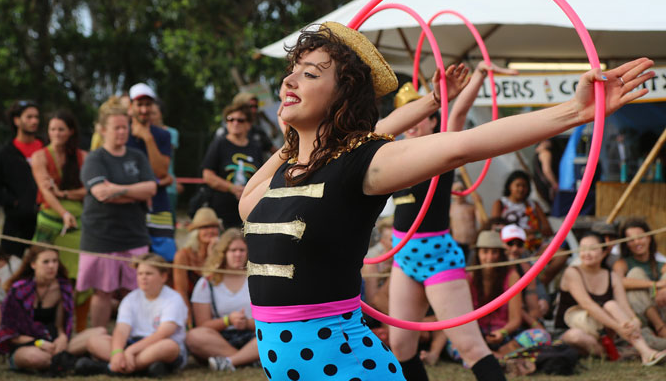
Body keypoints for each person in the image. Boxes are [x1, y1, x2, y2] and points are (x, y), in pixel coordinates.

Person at [238, 21, 653, 381]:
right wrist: (303, 138)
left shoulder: (361, 164)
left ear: (342, 96)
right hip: (291, 370)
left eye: (309, 74)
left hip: (348, 368)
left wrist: (574, 113)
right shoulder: (280, 174)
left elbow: (462, 145)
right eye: (291, 71)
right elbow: (249, 204)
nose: (289, 82)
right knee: (404, 342)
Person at [386, 60, 517, 381]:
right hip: (402, 256)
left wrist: (480, 76)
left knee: (470, 347)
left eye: (420, 116)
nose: (412, 124)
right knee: (401, 346)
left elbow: (457, 116)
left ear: (432, 120)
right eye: (408, 118)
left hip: (437, 257)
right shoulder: (390, 154)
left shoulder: (439, 150)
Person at [77, 103, 157, 328]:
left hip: (134, 235)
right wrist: (134, 192)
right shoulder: (94, 159)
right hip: (101, 237)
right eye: (116, 128)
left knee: (137, 291)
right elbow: (100, 193)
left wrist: (116, 190)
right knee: (103, 292)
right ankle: (98, 338)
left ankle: (137, 336)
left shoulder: (138, 156)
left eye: (125, 127)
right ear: (102, 129)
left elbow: (151, 188)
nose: (122, 132)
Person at [555, 232, 666, 365]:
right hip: (577, 328)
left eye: (593, 249)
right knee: (576, 336)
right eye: (583, 249)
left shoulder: (612, 276)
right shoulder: (572, 272)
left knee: (611, 305)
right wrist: (619, 327)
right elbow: (587, 304)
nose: (587, 253)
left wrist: (634, 320)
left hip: (605, 332)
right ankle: (619, 352)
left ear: (604, 252)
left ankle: (645, 352)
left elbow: (624, 306)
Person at [76, 253, 189, 376]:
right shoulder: (131, 298)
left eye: (149, 274)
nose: (143, 278)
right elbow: (121, 329)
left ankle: (109, 368)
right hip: (134, 344)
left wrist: (130, 351)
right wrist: (117, 352)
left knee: (168, 347)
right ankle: (139, 368)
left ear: (163, 277)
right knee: (94, 341)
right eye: (140, 274)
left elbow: (163, 333)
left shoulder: (173, 298)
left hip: (157, 344)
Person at [0, 246, 104, 371]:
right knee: (36, 358)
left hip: (54, 343)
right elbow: (10, 333)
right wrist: (39, 343)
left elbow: (60, 326)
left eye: (55, 261)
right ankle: (69, 361)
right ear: (33, 264)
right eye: (46, 262)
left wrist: (62, 338)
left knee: (99, 331)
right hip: (27, 346)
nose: (52, 266)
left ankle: (63, 360)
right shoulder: (19, 290)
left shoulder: (63, 287)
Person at [461, 231, 549, 361]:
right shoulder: (469, 278)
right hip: (476, 336)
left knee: (541, 336)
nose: (490, 257)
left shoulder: (513, 275)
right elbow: (464, 318)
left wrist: (502, 333)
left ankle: (493, 356)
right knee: (453, 341)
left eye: (494, 252)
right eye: (485, 252)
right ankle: (493, 357)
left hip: (505, 336)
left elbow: (516, 318)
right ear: (478, 254)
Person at [187, 228, 258, 371]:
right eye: (232, 250)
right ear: (223, 253)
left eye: (241, 250)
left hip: (254, 335)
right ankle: (248, 359)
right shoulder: (207, 283)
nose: (237, 254)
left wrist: (247, 323)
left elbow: (271, 318)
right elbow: (203, 325)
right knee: (193, 336)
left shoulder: (257, 279)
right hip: (221, 339)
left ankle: (230, 361)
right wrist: (228, 320)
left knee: (273, 333)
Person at [31, 111, 87, 280]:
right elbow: (46, 191)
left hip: (77, 223)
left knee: (76, 273)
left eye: (61, 129)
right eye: (52, 129)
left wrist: (63, 193)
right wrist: (64, 213)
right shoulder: (40, 156)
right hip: (50, 221)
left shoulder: (83, 156)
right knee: (41, 267)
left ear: (71, 131)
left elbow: (90, 190)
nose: (56, 133)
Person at [128, 83, 176, 262]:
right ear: (130, 106)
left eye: (148, 104)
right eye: (139, 104)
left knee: (164, 261)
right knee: (132, 264)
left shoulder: (163, 135)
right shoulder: (120, 133)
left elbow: (161, 171)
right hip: (130, 207)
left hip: (158, 206)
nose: (143, 109)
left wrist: (148, 138)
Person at [492, 170, 566, 286]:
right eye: (518, 185)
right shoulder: (501, 203)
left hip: (534, 247)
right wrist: (522, 233)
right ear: (510, 186)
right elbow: (495, 228)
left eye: (524, 186)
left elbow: (547, 230)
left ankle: (540, 284)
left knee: (561, 255)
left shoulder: (533, 205)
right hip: (510, 247)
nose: (521, 189)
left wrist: (533, 233)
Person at [0, 100, 43, 256]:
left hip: (46, 220)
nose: (34, 121)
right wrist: (14, 203)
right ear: (16, 120)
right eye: (29, 117)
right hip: (16, 224)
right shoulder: (4, 155)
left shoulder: (47, 148)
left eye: (37, 117)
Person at [202, 102, 264, 230]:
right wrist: (233, 188)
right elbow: (207, 175)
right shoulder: (219, 144)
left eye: (240, 120)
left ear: (248, 125)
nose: (235, 123)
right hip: (221, 212)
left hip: (249, 211)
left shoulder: (256, 147)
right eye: (230, 119)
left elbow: (262, 177)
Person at [613, 218, 666, 339]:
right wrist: (655, 285)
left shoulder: (660, 264)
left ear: (649, 238)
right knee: (635, 274)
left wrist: (663, 289)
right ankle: (660, 328)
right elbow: (618, 282)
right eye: (631, 240)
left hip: (661, 306)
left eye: (641, 237)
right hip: (640, 314)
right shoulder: (622, 264)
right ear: (626, 243)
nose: (637, 242)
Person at [173, 207, 221, 319]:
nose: (210, 231)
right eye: (204, 227)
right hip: (188, 307)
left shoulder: (221, 254)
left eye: (213, 226)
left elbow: (218, 284)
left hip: (215, 308)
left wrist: (213, 255)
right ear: (196, 232)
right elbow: (181, 291)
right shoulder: (183, 255)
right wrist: (187, 317)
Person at [500, 225, 550, 328]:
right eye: (510, 244)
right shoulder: (495, 268)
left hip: (523, 321)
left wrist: (543, 300)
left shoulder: (527, 267)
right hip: (503, 320)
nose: (514, 249)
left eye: (519, 245)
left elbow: (540, 288)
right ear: (501, 244)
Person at [151, 100, 182, 217]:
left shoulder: (170, 133)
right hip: (148, 186)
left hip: (168, 188)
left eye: (154, 113)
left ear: (161, 114)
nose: (150, 116)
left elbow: (163, 153)